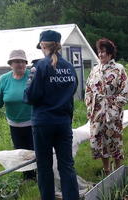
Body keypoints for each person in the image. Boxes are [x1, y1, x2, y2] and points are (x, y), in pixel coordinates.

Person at [24, 30, 79, 200]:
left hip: (43, 123)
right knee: (67, 166)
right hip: (63, 123)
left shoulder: (39, 67)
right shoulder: (70, 67)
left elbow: (30, 96)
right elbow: (72, 92)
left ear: (42, 45)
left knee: (44, 167)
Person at [0, 49, 35, 180]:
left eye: (23, 61)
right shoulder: (4, 79)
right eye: (17, 61)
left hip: (34, 123)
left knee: (35, 151)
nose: (20, 64)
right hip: (14, 124)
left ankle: (41, 174)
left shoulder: (32, 76)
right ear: (11, 64)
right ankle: (28, 177)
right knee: (20, 152)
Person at [85, 38, 128, 176]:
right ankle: (106, 170)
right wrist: (89, 106)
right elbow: (88, 89)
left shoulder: (119, 69)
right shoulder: (95, 70)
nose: (100, 55)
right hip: (97, 113)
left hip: (112, 114)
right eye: (99, 52)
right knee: (100, 142)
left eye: (103, 52)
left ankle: (118, 170)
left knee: (114, 141)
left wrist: (115, 107)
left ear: (110, 53)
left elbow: (125, 91)